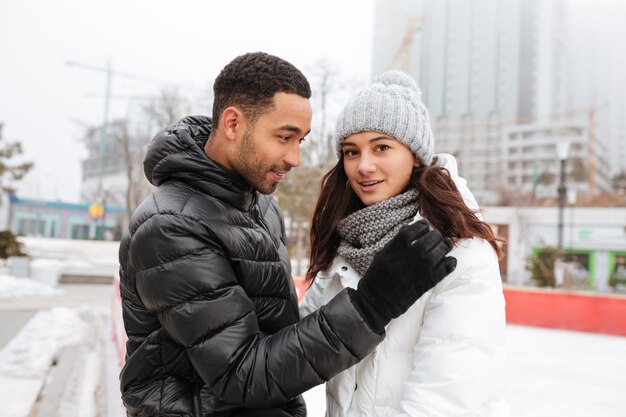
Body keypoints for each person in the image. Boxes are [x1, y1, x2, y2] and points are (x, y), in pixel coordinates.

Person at [118, 53, 457, 417]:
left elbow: (281, 335)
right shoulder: (170, 227)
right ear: (232, 123)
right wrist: (371, 306)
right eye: (284, 137)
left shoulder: (262, 206)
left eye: (301, 140)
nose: (295, 158)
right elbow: (242, 374)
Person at [300, 70, 510, 416]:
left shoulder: (460, 251)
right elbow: (300, 344)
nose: (363, 166)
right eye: (351, 152)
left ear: (415, 154)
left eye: (382, 147)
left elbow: (443, 401)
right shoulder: (346, 247)